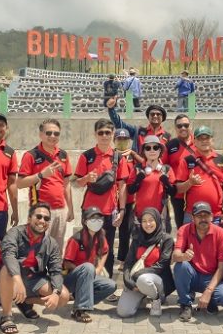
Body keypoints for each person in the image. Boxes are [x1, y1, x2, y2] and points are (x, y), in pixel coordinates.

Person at [0, 203, 71, 334]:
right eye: (39, 216)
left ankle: (25, 300)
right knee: (6, 270)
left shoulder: (51, 243)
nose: (42, 221)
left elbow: (55, 271)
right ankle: (7, 316)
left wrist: (55, 292)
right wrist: (17, 279)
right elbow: (8, 255)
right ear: (29, 218)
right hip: (13, 278)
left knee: (63, 297)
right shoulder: (15, 233)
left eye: (46, 218)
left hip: (34, 279)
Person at [73, 119, 130, 278]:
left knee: (108, 249)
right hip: (90, 211)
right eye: (101, 132)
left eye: (108, 132)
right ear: (95, 134)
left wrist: (122, 210)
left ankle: (107, 283)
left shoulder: (118, 158)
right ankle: (86, 282)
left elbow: (122, 185)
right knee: (88, 247)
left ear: (112, 135)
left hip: (109, 211)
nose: (104, 136)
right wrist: (86, 178)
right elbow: (76, 183)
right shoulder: (87, 156)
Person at [16, 119, 74, 252]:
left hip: (60, 210)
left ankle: (53, 273)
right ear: (41, 135)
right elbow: (19, 183)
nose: (52, 136)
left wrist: (70, 208)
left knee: (56, 250)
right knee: (38, 250)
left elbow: (66, 184)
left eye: (56, 133)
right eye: (48, 133)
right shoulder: (31, 155)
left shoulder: (63, 155)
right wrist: (41, 175)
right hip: (40, 211)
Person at [172, 201, 223, 321]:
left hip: (211, 277)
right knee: (181, 266)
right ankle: (186, 304)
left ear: (211, 216)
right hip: (193, 274)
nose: (203, 219)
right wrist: (183, 256)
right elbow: (175, 255)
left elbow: (222, 267)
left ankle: (210, 301)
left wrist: (209, 291)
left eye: (206, 215)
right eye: (199, 216)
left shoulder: (221, 234)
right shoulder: (184, 230)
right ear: (192, 218)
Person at [62, 207, 118, 323]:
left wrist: (99, 267)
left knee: (111, 285)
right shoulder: (76, 239)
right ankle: (79, 309)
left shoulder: (100, 236)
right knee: (87, 267)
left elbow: (105, 251)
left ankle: (81, 299)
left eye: (98, 218)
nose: (96, 221)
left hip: (89, 274)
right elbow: (66, 263)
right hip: (70, 279)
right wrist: (86, 270)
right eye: (92, 218)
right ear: (85, 221)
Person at [117, 207, 175, 318]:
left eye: (151, 220)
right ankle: (142, 296)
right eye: (144, 221)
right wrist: (128, 281)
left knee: (143, 279)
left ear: (157, 220)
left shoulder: (166, 239)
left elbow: (162, 265)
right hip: (137, 280)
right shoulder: (137, 239)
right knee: (123, 312)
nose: (147, 224)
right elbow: (128, 263)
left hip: (157, 280)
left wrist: (139, 274)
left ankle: (156, 299)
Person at [175, 126, 223, 226]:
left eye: (207, 138)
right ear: (194, 141)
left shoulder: (222, 160)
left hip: (216, 215)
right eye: (200, 139)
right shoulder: (187, 161)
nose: (204, 141)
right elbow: (178, 189)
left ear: (212, 140)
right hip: (192, 215)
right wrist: (190, 182)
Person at [126, 135, 176, 227]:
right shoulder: (138, 168)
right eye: (148, 148)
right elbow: (130, 190)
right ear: (144, 151)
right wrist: (138, 180)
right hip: (140, 217)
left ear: (160, 150)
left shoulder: (166, 169)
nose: (152, 150)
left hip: (160, 216)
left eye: (155, 147)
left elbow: (173, 192)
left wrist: (166, 183)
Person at [163, 114, 195, 230]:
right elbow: (162, 165)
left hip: (196, 191)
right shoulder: (170, 145)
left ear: (190, 126)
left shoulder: (199, 142)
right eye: (179, 126)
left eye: (185, 125)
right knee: (182, 227)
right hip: (178, 194)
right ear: (175, 128)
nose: (183, 128)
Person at [115, 128, 138, 267]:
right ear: (115, 141)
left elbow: (144, 165)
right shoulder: (111, 154)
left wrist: (134, 154)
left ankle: (123, 259)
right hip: (111, 199)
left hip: (129, 199)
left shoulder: (132, 157)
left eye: (125, 140)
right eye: (119, 139)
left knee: (126, 231)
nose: (122, 142)